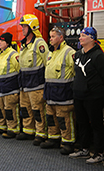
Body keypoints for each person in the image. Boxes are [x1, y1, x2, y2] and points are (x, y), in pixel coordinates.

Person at [69, 27, 104, 164]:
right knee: (82, 123)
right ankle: (84, 148)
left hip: (94, 97)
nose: (80, 38)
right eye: (80, 35)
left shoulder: (99, 56)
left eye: (83, 36)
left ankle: (99, 152)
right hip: (79, 95)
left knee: (96, 124)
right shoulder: (78, 54)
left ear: (92, 38)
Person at [40, 27, 76, 155]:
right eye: (50, 36)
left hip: (63, 94)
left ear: (61, 38)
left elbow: (76, 71)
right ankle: (53, 139)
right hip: (50, 93)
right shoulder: (51, 53)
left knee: (64, 119)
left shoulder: (69, 52)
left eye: (53, 36)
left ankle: (68, 142)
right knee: (51, 118)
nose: (50, 39)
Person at [17, 14, 49, 146]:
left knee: (37, 109)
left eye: (24, 26)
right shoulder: (24, 44)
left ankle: (41, 133)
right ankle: (28, 130)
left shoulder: (39, 43)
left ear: (32, 27)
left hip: (36, 83)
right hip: (24, 83)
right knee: (25, 108)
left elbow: (47, 61)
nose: (22, 29)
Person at [0, 33, 20, 137]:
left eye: (2, 41)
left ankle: (13, 129)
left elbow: (19, 70)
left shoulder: (13, 55)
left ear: (8, 43)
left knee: (10, 109)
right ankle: (1, 126)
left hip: (10, 87)